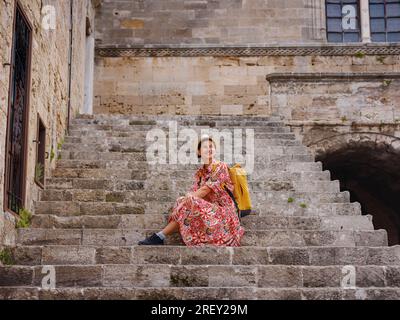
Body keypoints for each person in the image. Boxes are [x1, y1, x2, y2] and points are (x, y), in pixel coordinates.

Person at [138, 136, 245, 246]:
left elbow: (204, 191)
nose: (209, 149)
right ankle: (160, 236)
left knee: (189, 201)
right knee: (182, 201)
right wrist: (184, 201)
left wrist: (187, 200)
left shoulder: (220, 166)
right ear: (199, 152)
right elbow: (192, 192)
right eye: (205, 147)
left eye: (211, 147)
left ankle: (159, 236)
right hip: (209, 210)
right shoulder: (200, 173)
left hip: (224, 213)